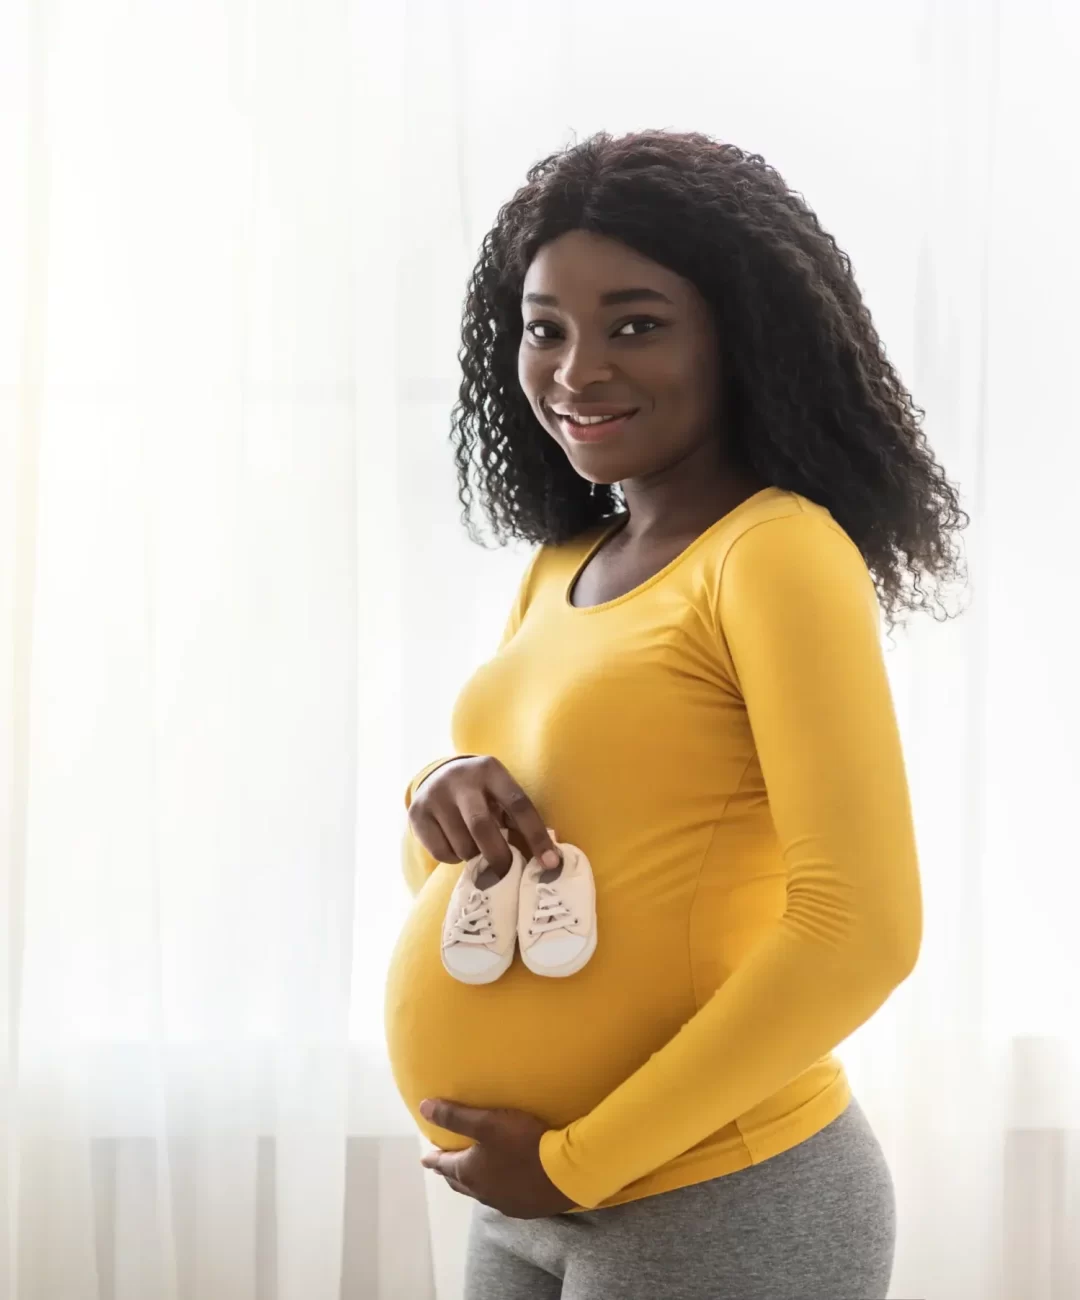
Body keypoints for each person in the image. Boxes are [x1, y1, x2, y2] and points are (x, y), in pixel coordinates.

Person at [383, 129, 968, 1300]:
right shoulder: (565, 562)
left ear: (741, 337)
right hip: (524, 1196)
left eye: (636, 324)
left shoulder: (776, 552)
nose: (577, 368)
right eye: (545, 327)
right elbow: (483, 886)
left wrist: (576, 1163)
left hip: (716, 1197)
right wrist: (439, 790)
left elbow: (862, 928)